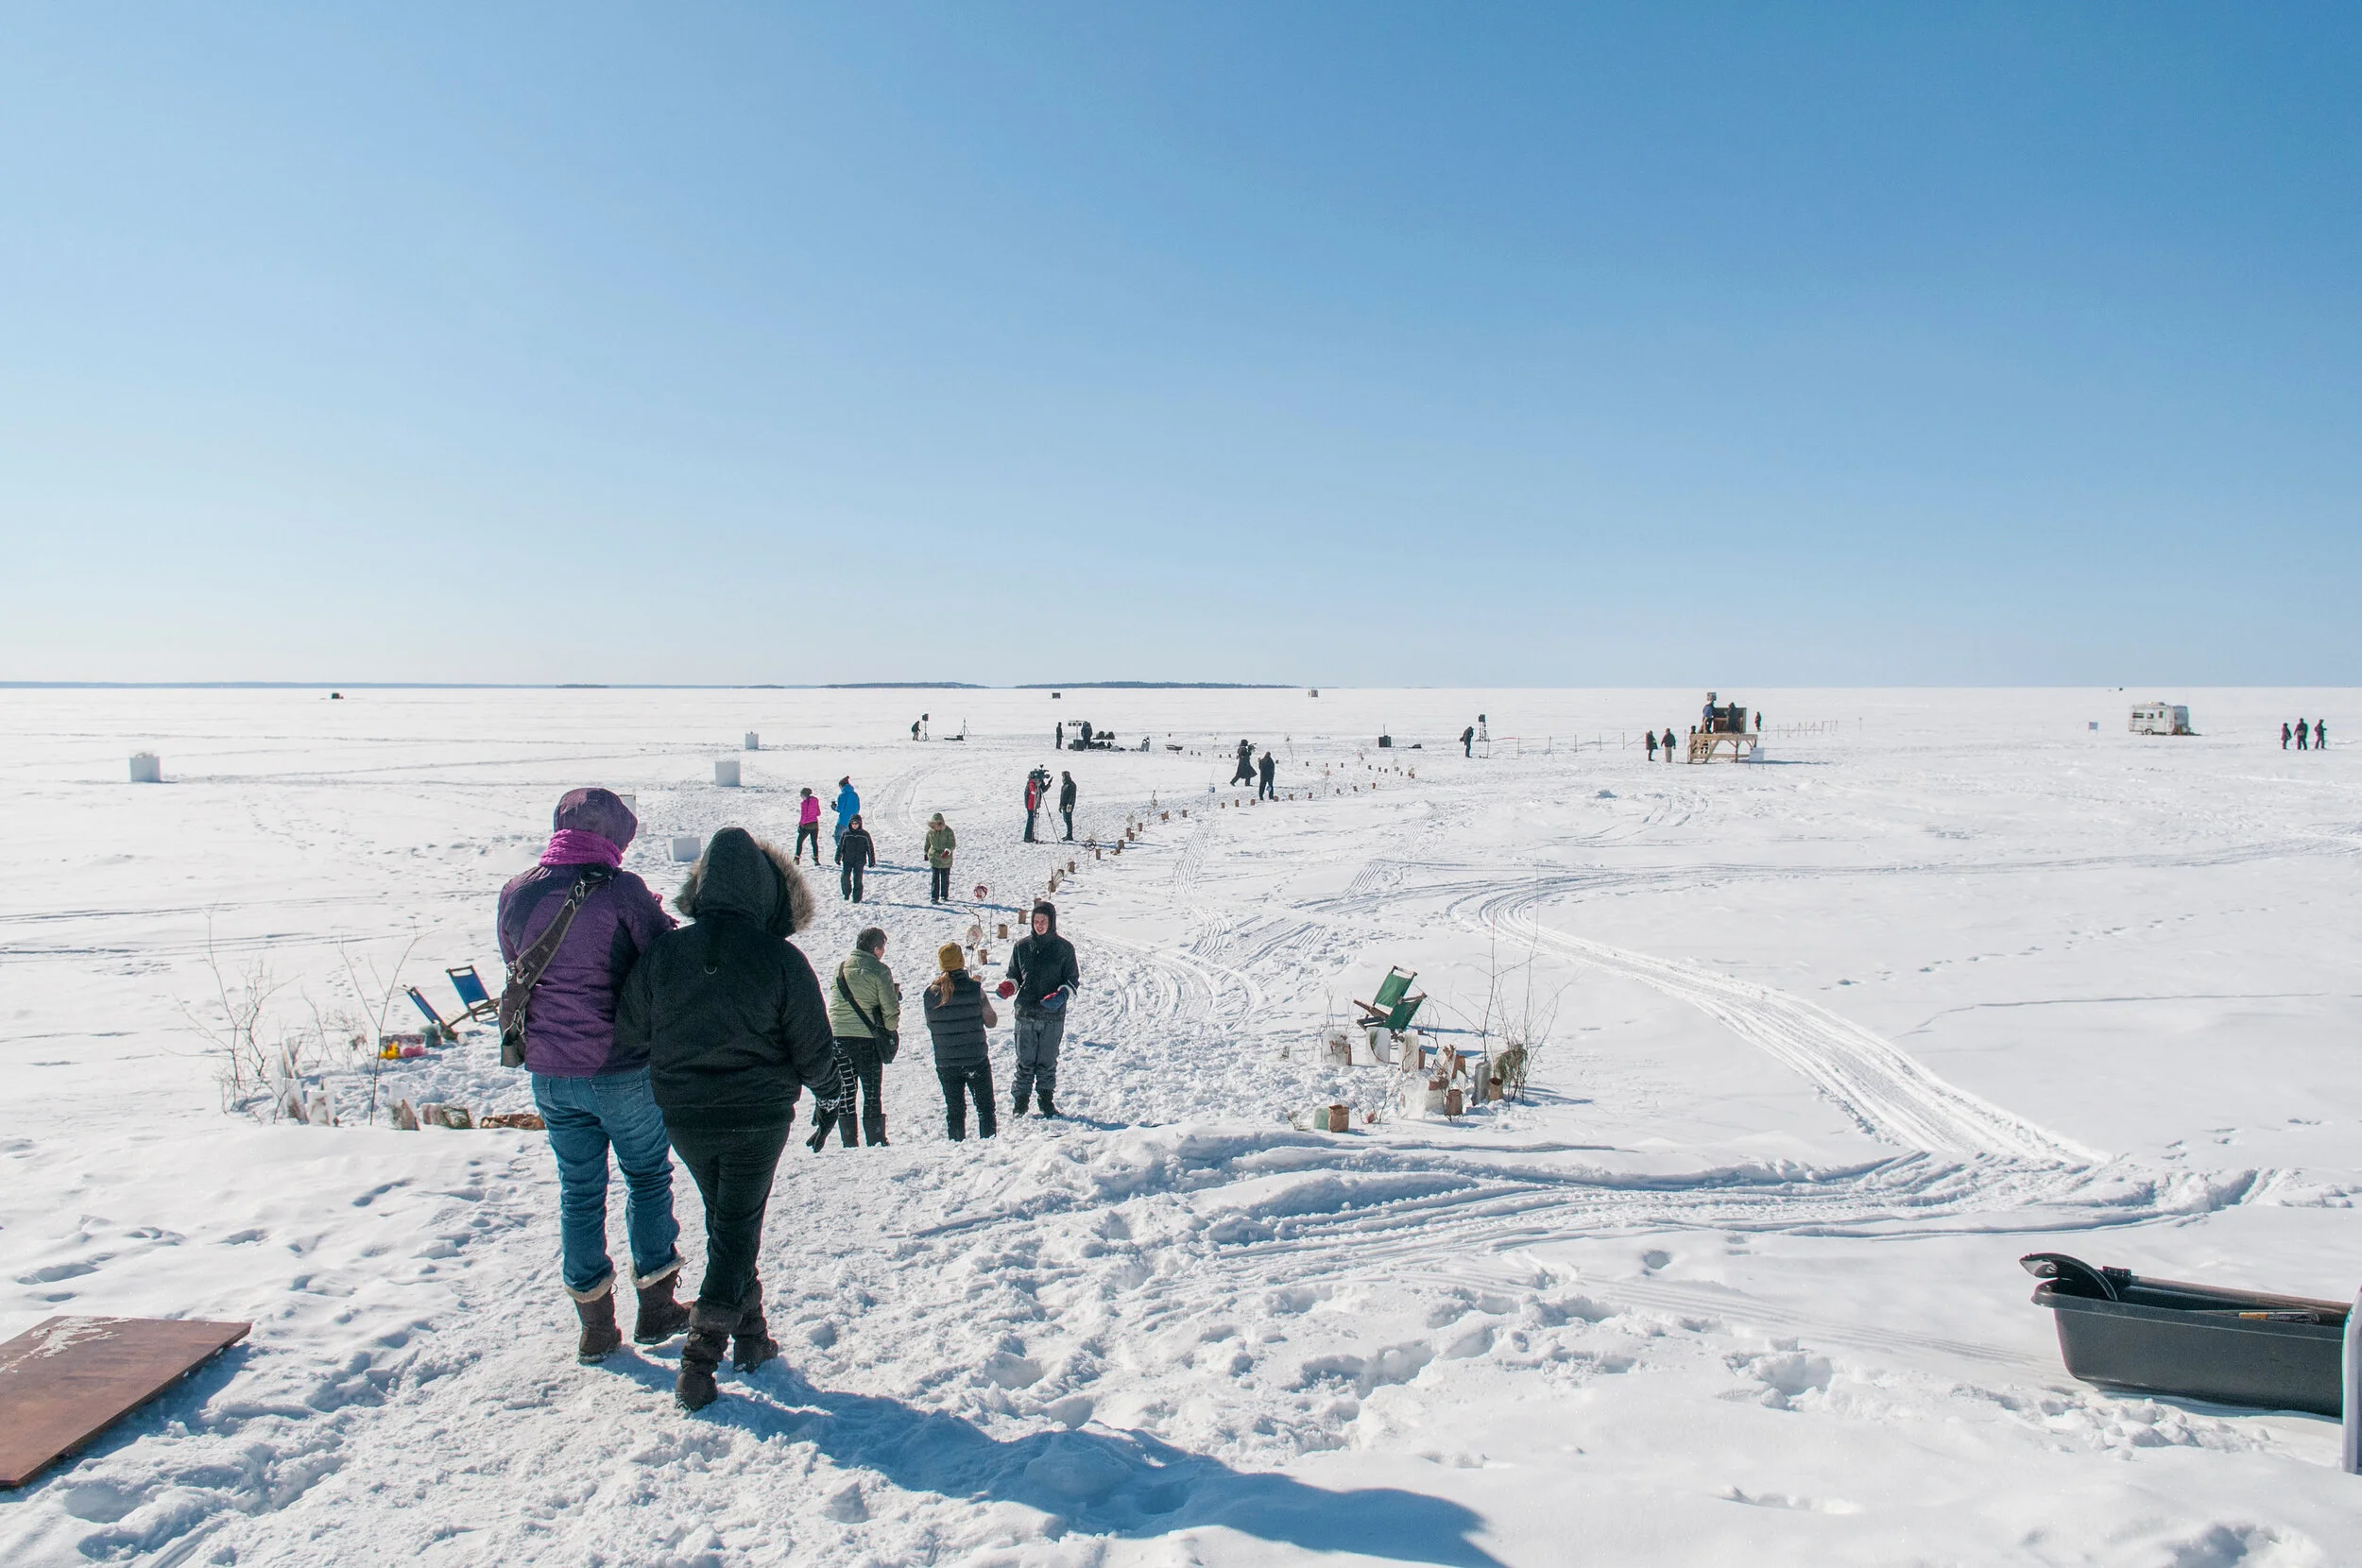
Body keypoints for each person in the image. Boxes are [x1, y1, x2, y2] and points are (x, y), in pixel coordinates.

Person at [615, 827, 849, 1412]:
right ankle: (702, 1356)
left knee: (728, 1222)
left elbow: (631, 1031)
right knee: (737, 1229)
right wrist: (831, 1096)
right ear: (767, 893)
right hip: (758, 1117)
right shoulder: (783, 960)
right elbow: (815, 1050)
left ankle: (753, 1337)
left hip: (685, 1116)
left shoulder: (665, 953)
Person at [498, 788, 691, 1363]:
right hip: (620, 1067)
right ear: (614, 836)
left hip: (551, 1072)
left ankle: (595, 1326)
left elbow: (516, 962)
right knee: (647, 1179)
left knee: (579, 1192)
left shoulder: (516, 891)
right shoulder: (621, 890)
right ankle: (656, 1305)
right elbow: (661, 958)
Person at [823, 927, 899, 1148]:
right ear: (876, 949)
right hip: (866, 1039)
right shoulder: (879, 970)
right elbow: (890, 1014)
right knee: (871, 1090)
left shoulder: (840, 969)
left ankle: (848, 1141)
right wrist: (891, 1027)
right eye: (883, 947)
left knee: (846, 1090)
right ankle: (875, 1140)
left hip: (837, 1038)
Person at [1004, 900, 1080, 1117]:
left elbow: (1073, 979)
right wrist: (1010, 985)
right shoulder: (1021, 947)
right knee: (1025, 1063)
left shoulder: (1065, 949)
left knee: (1047, 1062)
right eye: (1036, 921)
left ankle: (1046, 1101)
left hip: (1052, 1016)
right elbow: (1015, 974)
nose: (1039, 925)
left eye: (1043, 921)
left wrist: (1062, 994)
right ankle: (1020, 1102)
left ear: (1051, 922)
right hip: (1025, 1013)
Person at [924, 942, 998, 1140]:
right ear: (961, 961)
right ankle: (988, 1147)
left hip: (946, 1062)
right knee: (985, 1109)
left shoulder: (930, 994)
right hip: (975, 1060)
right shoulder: (975, 989)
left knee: (955, 1111)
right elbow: (991, 1021)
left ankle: (957, 1147)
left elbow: (931, 1025)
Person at [835, 812, 876, 902]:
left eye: (856, 823)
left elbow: (870, 848)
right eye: (853, 823)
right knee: (845, 876)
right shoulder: (846, 834)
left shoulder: (864, 835)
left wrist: (871, 860)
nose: (854, 825)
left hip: (859, 860)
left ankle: (857, 898)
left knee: (857, 879)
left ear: (860, 824)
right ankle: (846, 892)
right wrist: (838, 857)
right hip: (847, 859)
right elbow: (840, 846)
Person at [925, 812, 956, 904]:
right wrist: (926, 852)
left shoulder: (948, 831)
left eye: (938, 824)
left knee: (945, 878)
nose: (936, 827)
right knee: (935, 878)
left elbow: (952, 843)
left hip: (945, 859)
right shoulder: (930, 832)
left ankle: (944, 895)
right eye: (934, 825)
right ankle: (934, 897)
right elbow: (927, 843)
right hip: (934, 857)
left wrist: (947, 851)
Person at [794, 788, 822, 863]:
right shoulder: (815, 800)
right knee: (814, 842)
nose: (800, 796)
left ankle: (797, 858)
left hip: (807, 825)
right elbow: (818, 813)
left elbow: (804, 815)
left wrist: (800, 825)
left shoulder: (804, 803)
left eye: (801, 795)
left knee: (799, 841)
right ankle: (816, 859)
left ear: (804, 795)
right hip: (815, 824)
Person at [832, 776, 860, 853]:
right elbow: (857, 807)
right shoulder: (855, 795)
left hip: (843, 821)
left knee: (838, 836)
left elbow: (840, 809)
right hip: (853, 821)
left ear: (842, 786)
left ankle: (843, 852)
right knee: (851, 838)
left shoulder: (842, 795)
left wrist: (834, 807)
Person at [1023, 770, 1042, 843]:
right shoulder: (1031, 783)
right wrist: (1038, 786)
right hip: (1031, 805)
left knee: (1032, 821)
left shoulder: (1032, 782)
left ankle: (1031, 836)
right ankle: (1028, 837)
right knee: (1030, 820)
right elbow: (1034, 791)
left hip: (1033, 804)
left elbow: (1040, 790)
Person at [1058, 770, 1077, 841]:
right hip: (1064, 805)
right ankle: (1068, 834)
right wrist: (1060, 805)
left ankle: (1069, 835)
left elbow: (1072, 796)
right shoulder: (1065, 784)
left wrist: (1070, 804)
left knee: (1068, 820)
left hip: (1068, 805)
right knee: (1066, 820)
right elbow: (1062, 796)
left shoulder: (1071, 784)